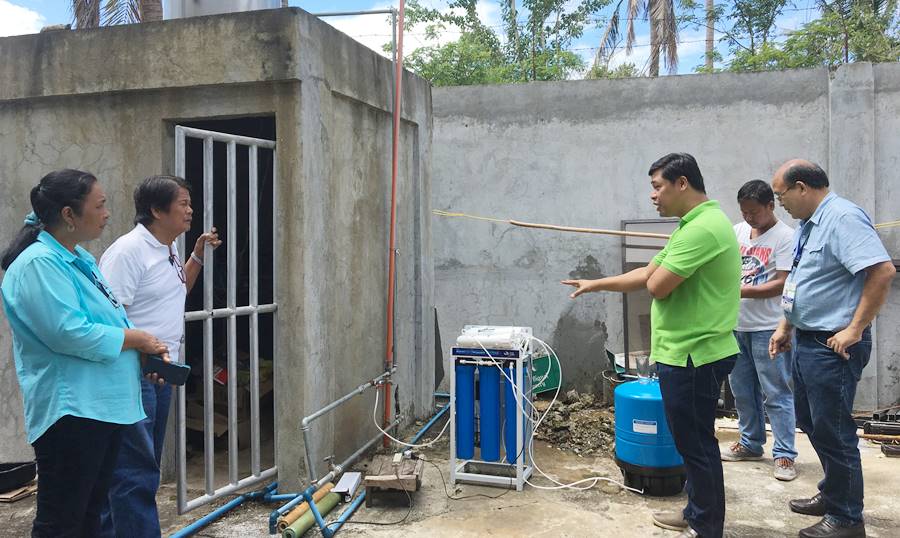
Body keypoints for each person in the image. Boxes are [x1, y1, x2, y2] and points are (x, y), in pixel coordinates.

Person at [563, 153, 740, 538]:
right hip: (685, 352)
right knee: (690, 440)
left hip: (696, 355)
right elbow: (648, 272)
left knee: (696, 445)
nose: (653, 196)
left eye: (658, 186)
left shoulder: (702, 229)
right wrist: (595, 284)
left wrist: (657, 273)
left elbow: (657, 286)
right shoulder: (689, 226)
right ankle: (697, 509)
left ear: (682, 184)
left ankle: (707, 525)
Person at [0, 169, 169, 538]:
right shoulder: (38, 264)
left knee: (91, 516)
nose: (107, 213)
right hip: (73, 411)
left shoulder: (80, 260)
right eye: (100, 205)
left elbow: (103, 321)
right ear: (68, 214)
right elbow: (68, 332)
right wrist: (135, 339)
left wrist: (140, 353)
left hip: (102, 408)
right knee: (62, 522)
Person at [769, 160, 895, 538]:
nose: (781, 204)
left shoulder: (842, 218)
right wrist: (785, 325)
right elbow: (805, 280)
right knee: (812, 422)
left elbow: (882, 271)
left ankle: (846, 517)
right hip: (807, 338)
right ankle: (833, 491)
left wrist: (855, 328)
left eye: (781, 196)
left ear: (802, 187)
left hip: (833, 345)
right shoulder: (809, 224)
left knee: (835, 431)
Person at [98, 175, 219, 538]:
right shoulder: (127, 252)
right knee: (135, 472)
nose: (190, 209)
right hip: (134, 374)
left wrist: (196, 254)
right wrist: (142, 354)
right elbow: (109, 317)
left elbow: (177, 288)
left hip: (158, 373)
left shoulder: (165, 247)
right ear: (155, 210)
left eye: (189, 202)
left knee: (134, 468)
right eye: (182, 203)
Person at [721, 180, 798, 481]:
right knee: (741, 391)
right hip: (736, 325)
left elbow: (782, 282)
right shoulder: (737, 231)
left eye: (755, 212)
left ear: (771, 206)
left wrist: (736, 292)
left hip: (769, 327)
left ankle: (784, 455)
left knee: (776, 392)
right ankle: (751, 443)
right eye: (744, 212)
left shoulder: (786, 237)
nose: (749, 217)